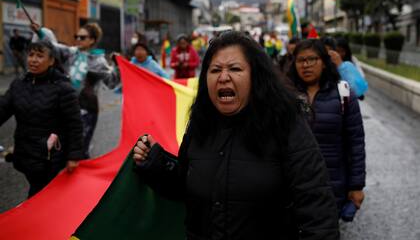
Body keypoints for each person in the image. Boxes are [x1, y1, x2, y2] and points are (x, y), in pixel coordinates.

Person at [133, 31, 339, 239]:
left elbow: (318, 211)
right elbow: (186, 188)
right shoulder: (199, 126)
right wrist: (155, 163)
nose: (223, 77)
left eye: (235, 69)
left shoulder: (286, 124)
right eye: (215, 70)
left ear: (256, 76)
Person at [288, 39, 366, 219]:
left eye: (312, 59)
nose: (306, 65)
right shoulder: (286, 94)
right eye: (301, 60)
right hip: (293, 183)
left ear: (324, 62)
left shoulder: (344, 94)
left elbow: (355, 142)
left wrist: (356, 186)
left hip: (332, 183)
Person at [0, 41, 84, 197]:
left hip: (50, 157)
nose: (33, 60)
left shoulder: (63, 88)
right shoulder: (18, 84)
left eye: (40, 56)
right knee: (41, 193)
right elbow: (3, 109)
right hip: (25, 152)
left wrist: (74, 156)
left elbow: (75, 124)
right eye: (31, 55)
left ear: (51, 61)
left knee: (39, 196)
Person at [30, 23, 120, 157]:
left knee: (80, 149)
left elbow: (111, 82)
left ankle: (82, 175)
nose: (78, 39)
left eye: (82, 37)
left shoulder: (99, 61)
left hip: (86, 110)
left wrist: (117, 65)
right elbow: (53, 48)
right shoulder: (70, 52)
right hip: (65, 106)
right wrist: (41, 33)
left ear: (92, 40)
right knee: (62, 146)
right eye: (76, 36)